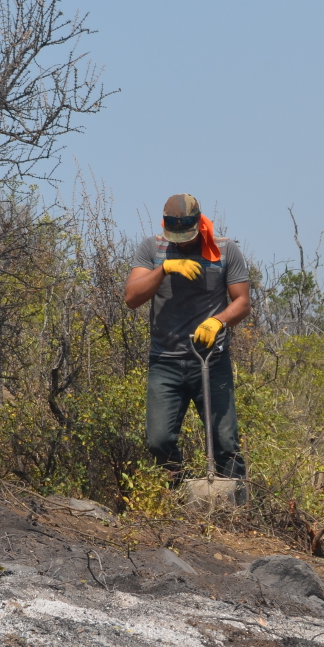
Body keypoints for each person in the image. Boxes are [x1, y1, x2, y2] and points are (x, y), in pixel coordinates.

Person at [124, 194, 251, 482]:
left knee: (225, 444)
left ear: (199, 222)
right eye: (175, 235)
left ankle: (236, 513)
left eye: (187, 235)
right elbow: (132, 298)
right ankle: (183, 497)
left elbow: (242, 302)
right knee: (158, 441)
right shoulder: (152, 248)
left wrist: (218, 321)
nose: (181, 241)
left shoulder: (225, 250)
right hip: (165, 362)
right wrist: (164, 269)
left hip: (211, 359)